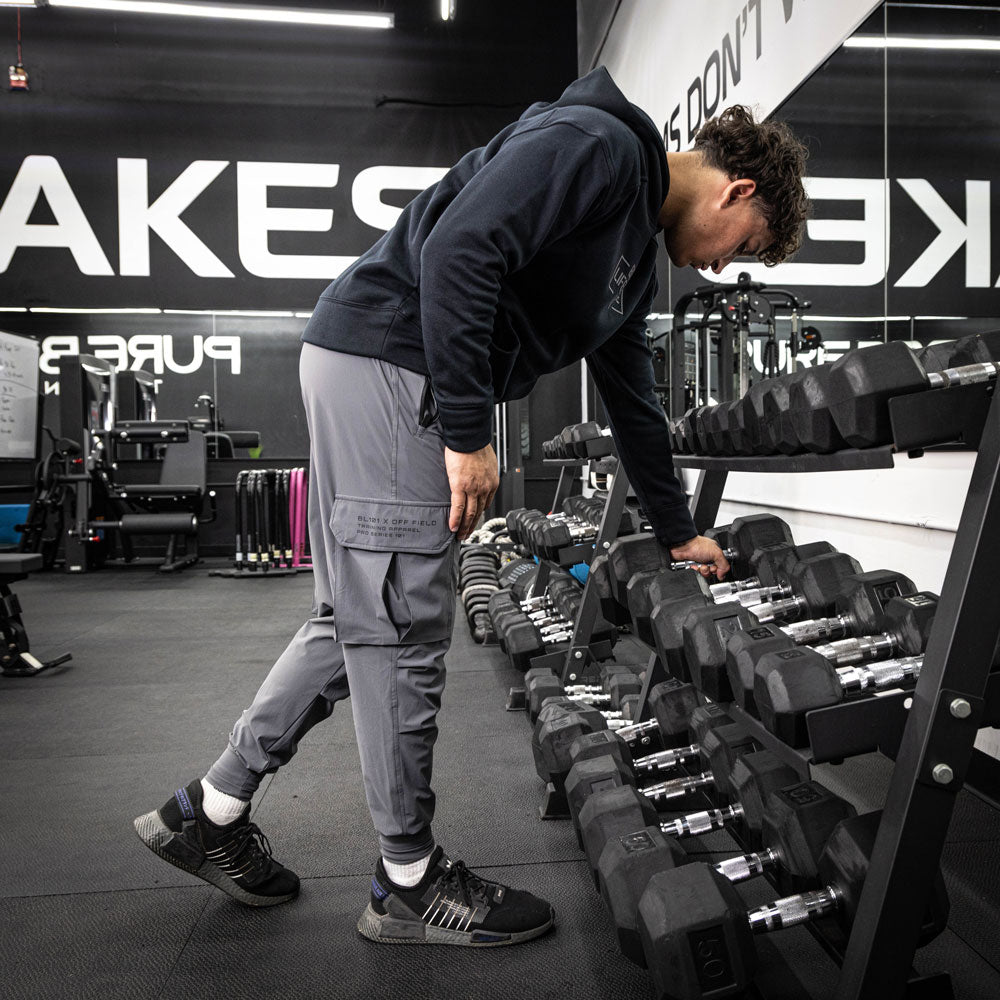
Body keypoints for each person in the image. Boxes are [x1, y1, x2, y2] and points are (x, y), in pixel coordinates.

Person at [133, 67, 809, 947]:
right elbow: (459, 248)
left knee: (359, 616)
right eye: (742, 245)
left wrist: (679, 532)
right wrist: (465, 430)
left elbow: (632, 397)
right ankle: (408, 881)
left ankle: (209, 809)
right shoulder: (601, 146)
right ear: (737, 189)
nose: (722, 265)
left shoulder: (634, 256)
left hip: (377, 360)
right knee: (401, 626)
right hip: (392, 358)